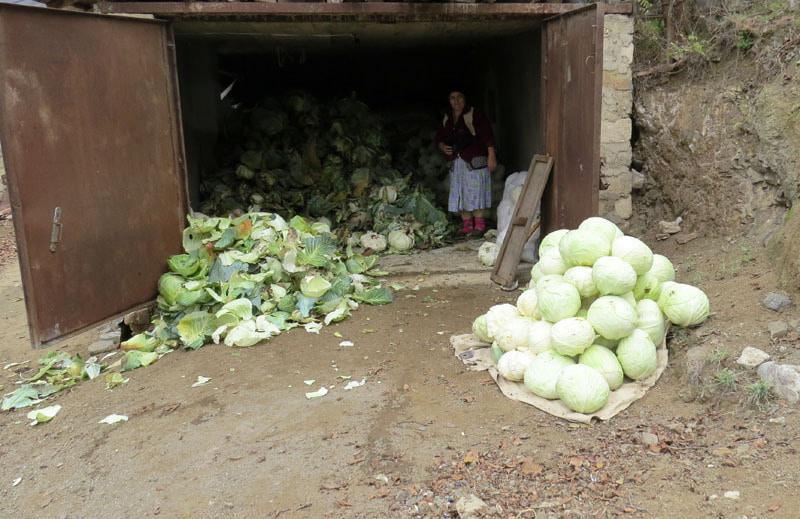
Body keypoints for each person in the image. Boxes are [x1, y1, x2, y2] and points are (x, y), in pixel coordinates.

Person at [434, 90, 497, 236]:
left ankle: (479, 226)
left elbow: (487, 135)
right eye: (452, 98)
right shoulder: (448, 118)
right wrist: (442, 146)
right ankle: (467, 226)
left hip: (474, 160)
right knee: (461, 192)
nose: (456, 101)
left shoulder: (474, 114)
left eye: (460, 97)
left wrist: (491, 155)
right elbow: (439, 138)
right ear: (449, 101)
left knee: (476, 192)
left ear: (465, 99)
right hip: (457, 162)